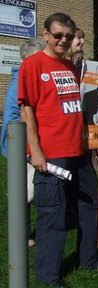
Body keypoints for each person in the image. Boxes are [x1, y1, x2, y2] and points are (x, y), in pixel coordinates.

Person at [18, 13, 98, 288]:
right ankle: (48, 274)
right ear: (45, 34)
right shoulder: (33, 65)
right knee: (52, 213)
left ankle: (89, 260)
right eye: (57, 35)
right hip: (51, 152)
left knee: (90, 205)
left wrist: (91, 145)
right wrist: (35, 151)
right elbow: (26, 110)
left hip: (78, 151)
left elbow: (75, 110)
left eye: (68, 36)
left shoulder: (69, 66)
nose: (63, 40)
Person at [1, 37, 45, 248]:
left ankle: (23, 233)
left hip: (21, 143)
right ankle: (21, 235)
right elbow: (15, 119)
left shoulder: (22, 79)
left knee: (26, 191)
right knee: (23, 192)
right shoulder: (21, 82)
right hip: (20, 145)